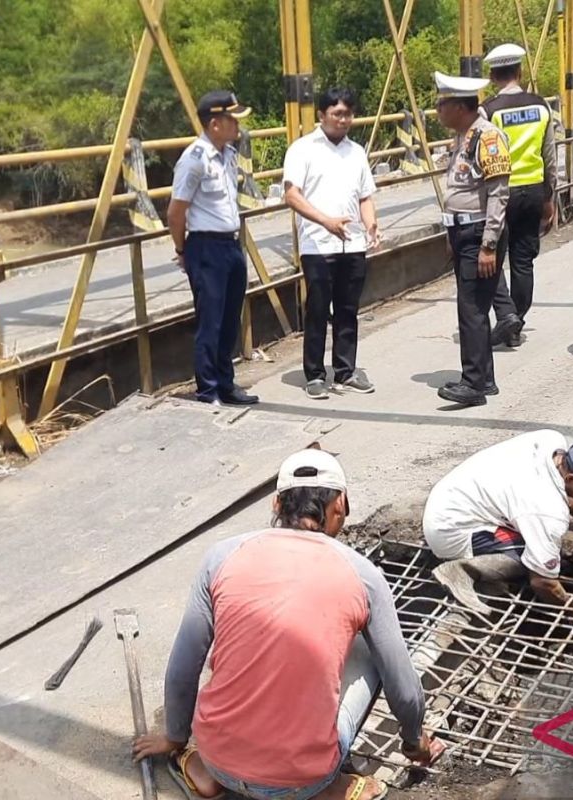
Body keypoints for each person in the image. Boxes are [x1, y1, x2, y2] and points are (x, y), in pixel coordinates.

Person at [132, 447, 443, 800]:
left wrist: (174, 736)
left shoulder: (221, 556)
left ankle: (205, 772)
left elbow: (184, 666)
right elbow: (402, 685)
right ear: (339, 504)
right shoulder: (362, 575)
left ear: (277, 505)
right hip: (301, 779)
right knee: (371, 652)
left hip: (217, 758)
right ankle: (327, 788)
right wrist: (414, 741)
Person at [422, 431, 573, 623]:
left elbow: (564, 488)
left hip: (454, 496)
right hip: (451, 528)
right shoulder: (545, 509)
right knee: (532, 560)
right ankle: (461, 571)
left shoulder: (550, 442)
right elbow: (542, 582)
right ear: (572, 477)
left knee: (542, 545)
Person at [283, 87, 380, 401]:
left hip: (352, 244)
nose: (344, 120)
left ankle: (345, 371)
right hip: (318, 245)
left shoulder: (357, 151)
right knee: (317, 309)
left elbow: (365, 196)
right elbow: (292, 195)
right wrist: (325, 220)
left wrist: (371, 224)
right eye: (337, 113)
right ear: (321, 115)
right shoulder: (302, 150)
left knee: (348, 310)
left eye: (348, 114)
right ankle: (314, 374)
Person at [169, 90, 259, 407]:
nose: (237, 126)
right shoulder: (194, 160)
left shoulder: (228, 154)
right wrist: (183, 251)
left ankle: (226, 384)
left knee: (230, 319)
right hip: (205, 247)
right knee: (211, 322)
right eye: (232, 120)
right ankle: (207, 391)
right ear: (214, 124)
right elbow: (176, 213)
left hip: (230, 245)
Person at [433, 71, 512, 407]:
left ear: (459, 107)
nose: (438, 111)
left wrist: (489, 245)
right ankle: (485, 379)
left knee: (471, 310)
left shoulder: (487, 137)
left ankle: (473, 384)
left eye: (442, 104)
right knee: (475, 307)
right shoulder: (464, 135)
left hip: (479, 232)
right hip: (464, 231)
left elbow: (499, 193)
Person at [480, 42, 558, 349]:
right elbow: (549, 154)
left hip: (501, 194)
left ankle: (506, 315)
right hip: (534, 190)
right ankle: (516, 324)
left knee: (493, 258)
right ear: (520, 71)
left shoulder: (488, 111)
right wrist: (550, 197)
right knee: (524, 261)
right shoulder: (541, 106)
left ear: (492, 75)